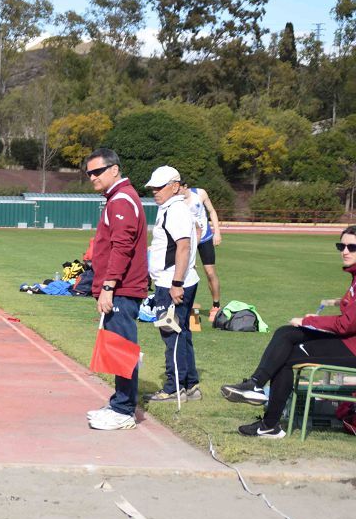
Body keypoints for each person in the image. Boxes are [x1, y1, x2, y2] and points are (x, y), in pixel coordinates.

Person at [221, 226, 356, 437]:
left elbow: (346, 324)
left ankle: (267, 418)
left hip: (352, 348)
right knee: (286, 333)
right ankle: (257, 390)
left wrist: (309, 320)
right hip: (347, 341)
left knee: (285, 354)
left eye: (352, 247)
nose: (345, 251)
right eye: (341, 246)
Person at [84, 148, 149, 431]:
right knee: (116, 347)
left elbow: (122, 246)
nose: (92, 178)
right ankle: (119, 403)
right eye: (89, 173)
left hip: (122, 288)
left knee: (122, 347)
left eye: (97, 172)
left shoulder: (122, 200)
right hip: (119, 287)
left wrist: (109, 285)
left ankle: (123, 410)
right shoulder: (118, 198)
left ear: (114, 169)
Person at [143, 166, 201, 404]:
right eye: (153, 187)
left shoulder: (175, 210)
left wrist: (176, 283)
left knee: (171, 334)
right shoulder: (172, 208)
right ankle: (190, 384)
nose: (155, 192)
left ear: (175, 186)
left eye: (160, 187)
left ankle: (173, 387)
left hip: (173, 282)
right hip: (179, 280)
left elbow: (183, 247)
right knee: (183, 333)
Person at [182, 181, 223, 323]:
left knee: (210, 272)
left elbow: (211, 211)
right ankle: (184, 305)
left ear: (185, 186)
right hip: (188, 239)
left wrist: (217, 232)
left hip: (205, 237)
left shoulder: (200, 193)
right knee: (184, 271)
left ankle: (216, 305)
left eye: (179, 188)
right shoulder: (176, 201)